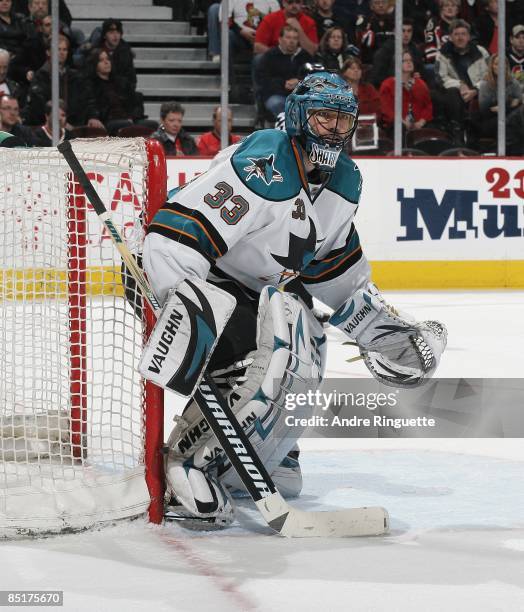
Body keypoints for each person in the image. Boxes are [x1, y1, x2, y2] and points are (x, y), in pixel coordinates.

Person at [139, 71, 447, 526]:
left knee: (308, 345)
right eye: (325, 119)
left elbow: (335, 272)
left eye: (344, 122)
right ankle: (188, 460)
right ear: (301, 117)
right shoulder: (267, 162)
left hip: (257, 286)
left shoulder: (343, 182)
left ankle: (265, 451)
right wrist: (183, 304)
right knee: (270, 355)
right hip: (192, 275)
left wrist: (384, 335)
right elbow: (179, 237)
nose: (335, 132)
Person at [22, 34, 101, 128]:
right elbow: (39, 108)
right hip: (49, 127)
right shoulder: (40, 77)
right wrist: (60, 122)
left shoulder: (75, 76)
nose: (62, 52)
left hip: (76, 125)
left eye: (64, 49)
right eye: (58, 49)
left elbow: (88, 99)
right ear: (48, 52)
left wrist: (93, 116)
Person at [433, 19, 489, 143]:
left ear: (469, 36)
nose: (460, 37)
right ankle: (457, 130)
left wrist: (475, 90)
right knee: (451, 93)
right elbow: (440, 77)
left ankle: (472, 135)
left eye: (463, 34)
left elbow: (489, 76)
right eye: (456, 34)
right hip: (456, 93)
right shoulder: (442, 54)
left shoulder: (481, 52)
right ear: (450, 37)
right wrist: (460, 84)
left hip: (480, 91)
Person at [255, 24, 313, 118]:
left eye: (295, 38)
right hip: (277, 95)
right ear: (280, 39)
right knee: (276, 103)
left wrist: (299, 82)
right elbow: (263, 81)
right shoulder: (270, 56)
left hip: (300, 96)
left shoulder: (305, 56)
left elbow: (313, 77)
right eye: (288, 37)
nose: (291, 41)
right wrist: (283, 84)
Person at [379, 50, 433, 132]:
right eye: (404, 61)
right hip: (396, 124)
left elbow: (428, 106)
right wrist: (402, 122)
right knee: (399, 129)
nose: (409, 63)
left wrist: (421, 122)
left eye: (410, 60)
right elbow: (386, 109)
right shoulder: (387, 85)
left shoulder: (421, 84)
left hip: (418, 123)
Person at [254, 0, 318, 57]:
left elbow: (311, 52)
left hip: (298, 59)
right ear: (283, 3)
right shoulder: (270, 19)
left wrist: (299, 29)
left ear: (302, 3)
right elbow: (257, 47)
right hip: (274, 58)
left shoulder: (309, 22)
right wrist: (282, 56)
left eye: (298, 2)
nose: (294, 6)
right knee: (259, 58)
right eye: (290, 2)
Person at [423, 0, 460, 64]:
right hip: (439, 63)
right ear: (441, 9)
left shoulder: (462, 25)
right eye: (446, 5)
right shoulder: (434, 23)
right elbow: (430, 49)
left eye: (453, 6)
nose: (450, 8)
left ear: (457, 10)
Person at [507, 24, 524, 93]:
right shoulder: (503, 56)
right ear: (511, 39)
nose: (521, 41)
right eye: (517, 37)